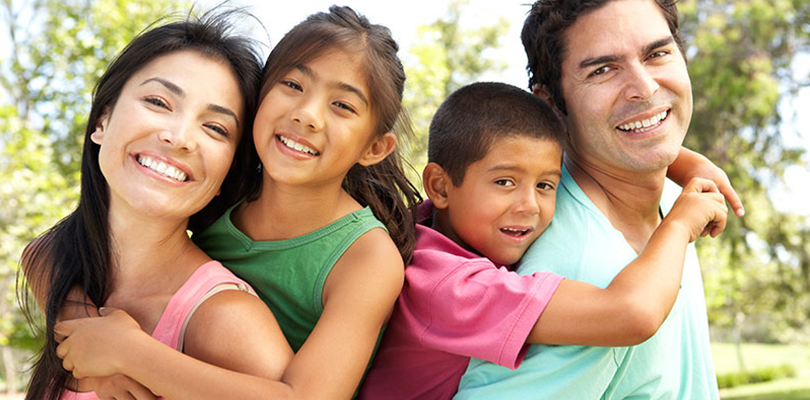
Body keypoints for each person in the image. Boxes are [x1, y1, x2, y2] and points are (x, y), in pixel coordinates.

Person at [52, 5, 422, 400]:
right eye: (293, 85)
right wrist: (79, 320)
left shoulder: (367, 256)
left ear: (375, 147)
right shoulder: (224, 191)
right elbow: (54, 248)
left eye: (343, 106)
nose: (307, 115)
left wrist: (131, 355)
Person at [359, 81, 728, 399]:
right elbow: (631, 314)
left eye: (545, 185)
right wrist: (679, 225)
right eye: (504, 182)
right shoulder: (448, 287)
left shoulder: (435, 226)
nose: (528, 206)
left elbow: (593, 148)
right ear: (440, 185)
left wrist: (688, 163)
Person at [455, 0, 727, 398]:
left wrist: (690, 167)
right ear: (551, 104)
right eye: (602, 70)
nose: (645, 88)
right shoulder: (581, 270)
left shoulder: (674, 202)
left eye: (657, 53)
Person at [19, 10, 294, 400]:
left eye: (215, 128)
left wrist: (132, 357)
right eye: (158, 101)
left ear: (227, 175)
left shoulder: (223, 317)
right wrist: (80, 326)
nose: (179, 137)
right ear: (102, 120)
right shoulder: (61, 263)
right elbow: (41, 254)